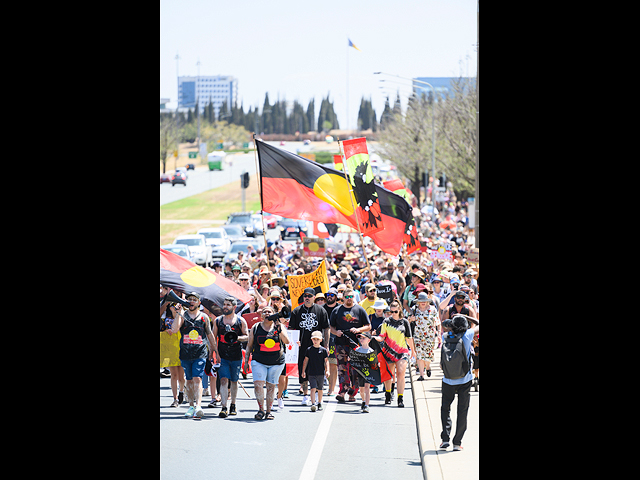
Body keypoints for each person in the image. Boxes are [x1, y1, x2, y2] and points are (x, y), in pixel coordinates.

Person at [166, 292, 216, 419]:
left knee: (197, 379)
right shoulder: (182, 315)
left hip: (200, 353)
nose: (191, 302)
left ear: (199, 302)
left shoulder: (204, 317)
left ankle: (199, 406)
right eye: (189, 300)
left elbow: (209, 335)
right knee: (188, 380)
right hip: (185, 353)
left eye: (194, 300)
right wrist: (178, 313)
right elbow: (175, 329)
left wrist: (215, 351)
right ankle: (191, 406)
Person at [440, 314, 479, 451]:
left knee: (445, 408)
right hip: (465, 380)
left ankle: (445, 439)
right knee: (462, 410)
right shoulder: (468, 335)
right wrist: (464, 316)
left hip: (448, 379)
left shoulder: (445, 336)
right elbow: (478, 323)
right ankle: (457, 442)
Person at [245, 305, 290, 420]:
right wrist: (246, 362)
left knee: (271, 387)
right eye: (265, 312)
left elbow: (287, 341)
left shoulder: (279, 326)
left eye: (269, 312)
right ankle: (261, 410)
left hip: (276, 361)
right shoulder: (255, 327)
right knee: (258, 385)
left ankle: (268, 411)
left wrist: (279, 327)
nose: (267, 314)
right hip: (258, 360)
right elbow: (249, 345)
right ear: (261, 315)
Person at [289, 287, 330, 406]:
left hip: (317, 346)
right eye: (305, 296)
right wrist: (293, 341)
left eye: (309, 296)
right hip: (302, 346)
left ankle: (317, 393)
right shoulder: (296, 311)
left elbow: (326, 328)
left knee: (317, 369)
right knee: (303, 370)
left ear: (313, 298)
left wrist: (326, 344)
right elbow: (291, 328)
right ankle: (306, 395)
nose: (307, 298)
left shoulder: (321, 310)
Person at [329, 288, 371, 403]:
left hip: (356, 344)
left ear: (354, 297)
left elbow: (368, 326)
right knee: (342, 368)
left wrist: (358, 330)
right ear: (342, 297)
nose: (349, 299)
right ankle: (342, 391)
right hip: (341, 343)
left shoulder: (359, 310)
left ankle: (353, 392)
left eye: (351, 296)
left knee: (355, 368)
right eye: (346, 296)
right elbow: (331, 327)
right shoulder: (337, 311)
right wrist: (335, 332)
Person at [212, 297, 249, 418]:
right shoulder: (218, 321)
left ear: (234, 307)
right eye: (224, 304)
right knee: (223, 380)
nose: (225, 307)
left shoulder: (240, 321)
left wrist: (236, 338)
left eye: (228, 305)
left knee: (234, 381)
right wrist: (215, 353)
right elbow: (213, 338)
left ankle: (233, 404)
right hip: (223, 355)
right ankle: (224, 407)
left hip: (236, 355)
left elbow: (247, 336)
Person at [374, 300, 415, 407]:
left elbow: (409, 338)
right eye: (391, 312)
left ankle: (400, 398)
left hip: (402, 352)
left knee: (401, 374)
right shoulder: (386, 322)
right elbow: (382, 337)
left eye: (395, 311)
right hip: (388, 351)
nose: (393, 314)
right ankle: (388, 394)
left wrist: (413, 351)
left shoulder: (405, 322)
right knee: (388, 376)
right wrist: (373, 338)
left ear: (400, 310)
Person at [160, 286, 186, 407]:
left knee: (181, 375)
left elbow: (181, 325)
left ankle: (182, 391)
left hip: (180, 344)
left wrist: (178, 311)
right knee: (173, 374)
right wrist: (166, 302)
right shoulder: (165, 310)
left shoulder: (182, 310)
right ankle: (175, 398)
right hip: (169, 345)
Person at [408, 292, 440, 380]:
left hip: (430, 335)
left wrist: (439, 333)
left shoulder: (433, 309)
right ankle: (421, 375)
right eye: (421, 301)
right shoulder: (414, 309)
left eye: (425, 301)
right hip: (418, 335)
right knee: (419, 355)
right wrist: (411, 319)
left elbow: (438, 322)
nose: (423, 302)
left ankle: (428, 366)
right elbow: (408, 320)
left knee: (428, 354)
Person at [301, 331, 329, 412]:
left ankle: (319, 402)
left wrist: (327, 371)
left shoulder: (323, 350)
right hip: (311, 373)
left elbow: (326, 361)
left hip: (320, 372)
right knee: (313, 388)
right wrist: (303, 371)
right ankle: (313, 404)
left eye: (317, 339)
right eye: (314, 339)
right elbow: (305, 361)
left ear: (321, 340)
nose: (315, 341)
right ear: (311, 340)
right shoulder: (309, 350)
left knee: (320, 389)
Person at [353, 332, 375, 413]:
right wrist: (351, 359)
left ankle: (367, 405)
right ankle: (363, 401)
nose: (361, 340)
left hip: (368, 372)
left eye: (363, 338)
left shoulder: (371, 351)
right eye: (360, 338)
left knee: (367, 388)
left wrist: (377, 364)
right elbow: (354, 359)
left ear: (368, 340)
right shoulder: (358, 350)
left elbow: (374, 362)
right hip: (360, 372)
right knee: (361, 390)